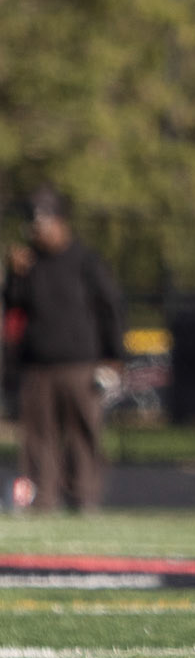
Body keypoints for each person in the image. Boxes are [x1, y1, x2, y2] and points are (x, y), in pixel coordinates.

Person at [2, 186, 122, 513]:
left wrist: (114, 356)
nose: (37, 231)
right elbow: (13, 305)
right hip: (37, 365)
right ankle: (42, 499)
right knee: (38, 436)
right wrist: (14, 274)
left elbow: (109, 307)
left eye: (42, 223)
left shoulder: (86, 261)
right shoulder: (28, 263)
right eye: (33, 224)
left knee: (83, 432)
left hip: (81, 364)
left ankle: (85, 497)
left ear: (60, 222)